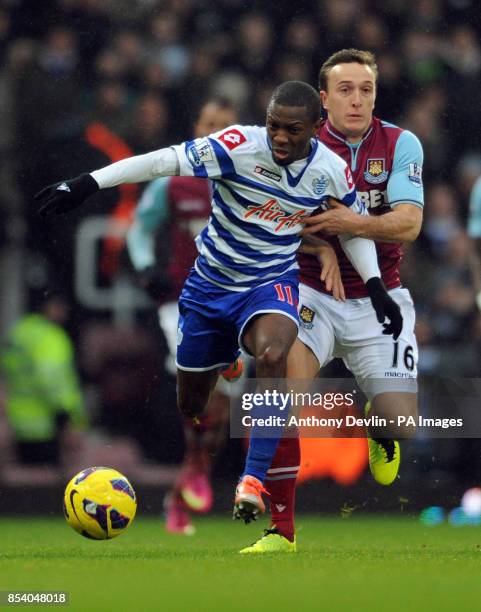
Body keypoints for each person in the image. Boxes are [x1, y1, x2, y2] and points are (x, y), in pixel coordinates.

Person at [35, 80, 402, 533]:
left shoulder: (331, 169)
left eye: (292, 129)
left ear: (314, 127)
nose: (281, 138)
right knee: (192, 403)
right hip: (209, 289)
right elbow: (162, 161)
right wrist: (88, 183)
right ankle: (219, 374)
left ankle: (252, 480)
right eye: (274, 127)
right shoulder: (238, 146)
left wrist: (374, 284)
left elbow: (349, 227)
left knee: (272, 357)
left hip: (271, 284)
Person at [241, 50, 423, 554]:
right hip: (308, 292)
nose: (357, 99)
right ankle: (281, 532)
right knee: (280, 395)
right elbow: (266, 218)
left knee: (401, 422)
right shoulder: (298, 141)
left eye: (365, 89)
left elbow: (409, 223)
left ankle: (378, 427)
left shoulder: (402, 144)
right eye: (345, 90)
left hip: (378, 298)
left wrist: (349, 224)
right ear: (323, 99)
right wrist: (319, 244)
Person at [126, 97, 241, 534]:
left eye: (225, 126)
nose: (215, 132)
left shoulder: (250, 178)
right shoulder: (174, 182)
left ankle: (182, 491)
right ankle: (194, 464)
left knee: (224, 406)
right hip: (183, 299)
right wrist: (144, 269)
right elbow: (140, 227)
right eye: (209, 123)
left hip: (234, 300)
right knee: (201, 385)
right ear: (197, 125)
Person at [0, 291, 87, 466]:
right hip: (47, 425)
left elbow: (8, 371)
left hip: (18, 422)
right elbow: (53, 381)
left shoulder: (19, 332)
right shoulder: (51, 337)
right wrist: (66, 416)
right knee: (47, 486)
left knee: (24, 483)